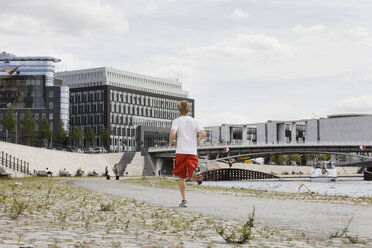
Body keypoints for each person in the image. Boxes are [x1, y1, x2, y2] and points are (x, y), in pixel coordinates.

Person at [169, 100, 206, 208]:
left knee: (181, 177)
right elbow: (203, 133)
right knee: (192, 176)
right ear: (188, 109)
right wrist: (196, 140)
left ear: (179, 109)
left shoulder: (176, 121)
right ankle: (196, 172)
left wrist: (171, 142)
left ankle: (184, 200)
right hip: (192, 151)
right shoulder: (194, 121)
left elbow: (173, 133)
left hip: (181, 152)